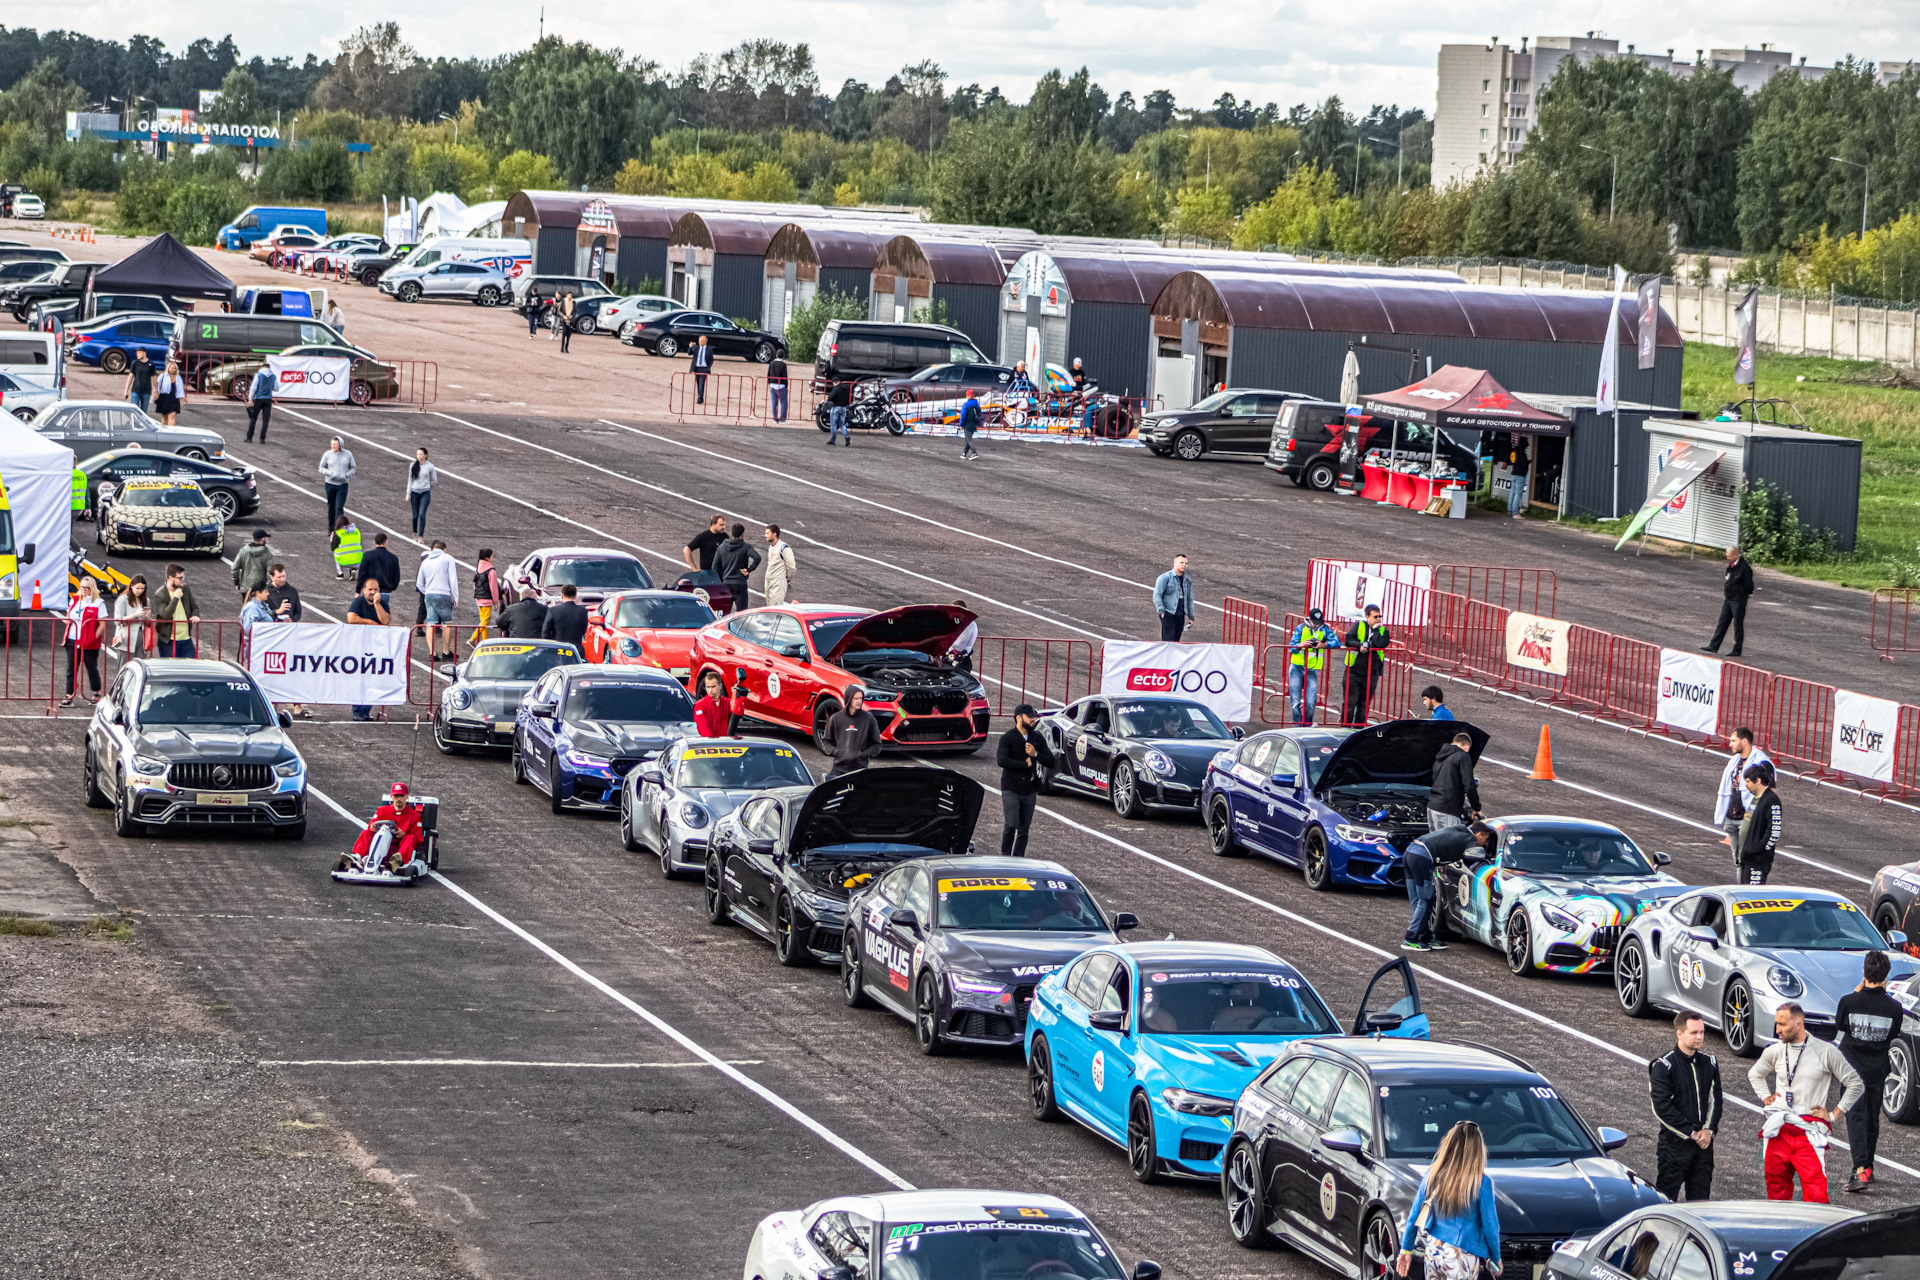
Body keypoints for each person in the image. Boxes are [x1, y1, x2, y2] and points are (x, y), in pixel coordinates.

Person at [1750, 1002, 1864, 1203]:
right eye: (1776, 1024)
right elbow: (1755, 1074)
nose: (1777, 1030)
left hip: (1808, 1134)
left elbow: (1855, 1084)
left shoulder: (1825, 1051)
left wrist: (1833, 1115)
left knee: (1817, 1197)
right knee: (1776, 1195)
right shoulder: (1775, 1050)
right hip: (1778, 1131)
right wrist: (1764, 1097)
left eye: (1782, 1025)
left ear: (1798, 1023)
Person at [1396, 1121, 1501, 1280]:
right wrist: (1495, 1257)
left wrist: (1405, 1249)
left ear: (1448, 1146)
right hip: (1461, 1255)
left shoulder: (1433, 1174)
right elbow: (1490, 1228)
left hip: (1433, 1251)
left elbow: (1414, 1214)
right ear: (1478, 1151)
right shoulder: (1482, 1183)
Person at [1836, 950, 1904, 1193]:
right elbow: (1894, 1033)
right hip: (1878, 1071)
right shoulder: (1895, 1008)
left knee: (1855, 1118)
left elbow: (1840, 1025)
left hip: (1852, 1070)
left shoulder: (1848, 1001)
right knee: (1872, 1118)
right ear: (1885, 976)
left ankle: (1860, 1170)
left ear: (1863, 973)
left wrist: (1856, 994)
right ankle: (1869, 1167)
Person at [1650, 1012, 1723, 1202]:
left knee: (1700, 1206)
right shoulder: (1663, 1066)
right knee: (1666, 1203)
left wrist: (1709, 1130)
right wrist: (1691, 1133)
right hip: (1673, 1147)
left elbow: (1716, 1100)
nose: (1699, 1037)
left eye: (1702, 1032)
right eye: (1693, 1033)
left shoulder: (1710, 1063)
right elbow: (1661, 1108)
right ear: (1679, 1034)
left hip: (1703, 1148)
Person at [997, 703, 1056, 857]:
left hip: (1030, 789)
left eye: (1034, 717)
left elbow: (1051, 761)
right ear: (1018, 718)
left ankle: (1018, 858)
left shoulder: (1037, 737)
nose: (1033, 720)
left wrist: (1036, 754)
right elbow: (1002, 761)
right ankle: (1005, 857)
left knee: (1024, 829)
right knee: (1011, 825)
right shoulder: (1008, 738)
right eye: (1030, 717)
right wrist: (1025, 764)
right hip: (1011, 788)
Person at [265, 563, 310, 718]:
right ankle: (272, 705)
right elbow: (263, 613)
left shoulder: (292, 591)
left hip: (289, 636)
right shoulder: (266, 592)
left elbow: (298, 611)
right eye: (279, 577)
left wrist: (292, 619)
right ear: (272, 577)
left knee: (292, 669)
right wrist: (276, 615)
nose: (283, 579)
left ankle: (297, 705)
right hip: (272, 638)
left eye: (284, 576)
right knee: (273, 671)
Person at [349, 783, 425, 869]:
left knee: (411, 838)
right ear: (392, 797)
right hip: (381, 845)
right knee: (366, 833)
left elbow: (418, 838)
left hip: (399, 847)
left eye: (401, 796)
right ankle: (358, 856)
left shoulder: (415, 816)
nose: (399, 799)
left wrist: (404, 835)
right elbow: (371, 825)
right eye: (396, 796)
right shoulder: (381, 811)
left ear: (406, 796)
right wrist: (373, 828)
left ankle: (397, 860)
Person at [345, 578, 390, 721]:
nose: (372, 592)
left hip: (375, 647)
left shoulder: (382, 603)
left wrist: (377, 604)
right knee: (360, 678)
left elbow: (386, 620)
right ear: (364, 590)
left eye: (375, 590)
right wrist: (369, 622)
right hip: (359, 646)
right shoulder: (358, 602)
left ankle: (365, 710)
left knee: (371, 678)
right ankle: (358, 711)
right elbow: (351, 618)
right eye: (370, 589)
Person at [1287, 609, 1339, 726]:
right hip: (1297, 667)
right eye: (1314, 622)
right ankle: (1298, 727)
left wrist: (1325, 645)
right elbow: (1291, 647)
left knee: (1310, 702)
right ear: (1309, 619)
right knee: (1295, 702)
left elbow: (1337, 642)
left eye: (1319, 622)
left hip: (1312, 669)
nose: (1317, 624)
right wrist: (1300, 645)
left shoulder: (1325, 629)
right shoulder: (1300, 628)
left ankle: (1308, 724)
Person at [59, 576, 105, 707]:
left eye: (87, 587)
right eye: (82, 587)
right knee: (70, 669)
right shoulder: (73, 600)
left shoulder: (98, 603)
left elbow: (102, 625)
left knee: (92, 668)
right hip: (72, 640)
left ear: (92, 588)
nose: (84, 589)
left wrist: (93, 638)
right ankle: (69, 695)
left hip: (89, 642)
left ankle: (96, 694)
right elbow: (68, 618)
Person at [1704, 545, 1756, 658]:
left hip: (1738, 600)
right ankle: (1713, 646)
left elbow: (1749, 585)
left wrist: (1744, 594)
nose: (1728, 558)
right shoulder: (1731, 565)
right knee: (1722, 622)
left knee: (1737, 625)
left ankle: (1737, 649)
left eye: (1729, 556)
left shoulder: (1745, 568)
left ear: (1736, 555)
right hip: (1729, 598)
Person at [1342, 604, 1390, 725]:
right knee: (1350, 703)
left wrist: (1375, 630)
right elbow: (1348, 640)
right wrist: (1360, 646)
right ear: (1367, 616)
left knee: (1364, 706)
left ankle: (1358, 731)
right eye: (1375, 617)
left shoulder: (1383, 631)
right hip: (1354, 672)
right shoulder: (1359, 626)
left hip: (1371, 673)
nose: (1378, 619)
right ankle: (1344, 729)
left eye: (1380, 616)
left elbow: (1381, 643)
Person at [416, 539, 461, 663]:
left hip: (429, 594)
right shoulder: (448, 559)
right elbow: (453, 579)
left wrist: (428, 592)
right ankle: (446, 651)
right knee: (447, 623)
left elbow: (419, 583)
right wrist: (455, 597)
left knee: (430, 623)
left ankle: (432, 653)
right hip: (443, 594)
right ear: (444, 549)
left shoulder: (425, 562)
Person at [1427, 732, 1482, 830]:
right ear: (1466, 747)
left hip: (1432, 807)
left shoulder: (1440, 757)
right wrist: (1476, 807)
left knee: (1436, 844)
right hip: (1447, 809)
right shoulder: (1462, 756)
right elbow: (1469, 784)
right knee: (1450, 844)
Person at [1737, 763, 1781, 885]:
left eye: (1748, 781)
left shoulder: (1771, 800)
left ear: (1758, 781)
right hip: (1747, 858)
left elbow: (1774, 831)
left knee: (1751, 898)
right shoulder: (1756, 798)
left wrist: (1758, 850)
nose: (1746, 786)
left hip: (1756, 861)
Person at [824, 688, 883, 778]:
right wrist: (836, 752)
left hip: (860, 769)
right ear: (848, 699)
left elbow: (877, 745)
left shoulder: (869, 719)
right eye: (856, 698)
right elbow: (826, 741)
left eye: (861, 698)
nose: (859, 701)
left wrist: (863, 755)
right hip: (838, 769)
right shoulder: (836, 718)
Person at [712, 523, 761, 615]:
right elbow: (757, 557)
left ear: (731, 533)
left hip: (726, 584)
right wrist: (749, 569)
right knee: (741, 614)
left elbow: (715, 567)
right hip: (740, 584)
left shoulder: (721, 548)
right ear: (742, 534)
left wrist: (721, 580)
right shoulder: (746, 547)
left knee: (724, 613)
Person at [153, 563, 199, 659]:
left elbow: (194, 606)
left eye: (183, 577)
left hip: (186, 640)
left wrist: (195, 615)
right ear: (170, 578)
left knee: (191, 669)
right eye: (180, 578)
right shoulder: (159, 595)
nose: (183, 580)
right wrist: (176, 598)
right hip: (168, 641)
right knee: (171, 671)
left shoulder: (185, 589)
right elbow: (166, 615)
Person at [692, 669, 746, 737]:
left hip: (725, 744)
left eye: (713, 687)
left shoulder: (728, 703)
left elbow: (739, 713)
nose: (710, 690)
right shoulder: (699, 706)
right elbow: (704, 730)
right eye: (708, 687)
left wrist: (738, 692)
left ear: (720, 686)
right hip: (709, 746)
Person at [113, 574, 155, 659]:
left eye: (142, 588)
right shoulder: (123, 599)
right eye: (138, 588)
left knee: (139, 666)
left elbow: (147, 622)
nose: (140, 591)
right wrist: (135, 614)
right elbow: (117, 621)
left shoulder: (146, 600)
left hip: (142, 639)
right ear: (131, 586)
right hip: (126, 639)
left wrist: (147, 617)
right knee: (125, 667)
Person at [356, 531, 401, 611]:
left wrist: (358, 590)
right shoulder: (393, 558)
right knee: (383, 614)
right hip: (385, 590)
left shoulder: (368, 555)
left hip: (370, 590)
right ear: (385, 542)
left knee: (369, 613)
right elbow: (396, 576)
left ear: (375, 542)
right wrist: (392, 587)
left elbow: (362, 574)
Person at [1153, 555, 1194, 642]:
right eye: (1181, 562)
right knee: (1168, 641)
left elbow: (1189, 600)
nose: (1184, 565)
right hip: (1169, 613)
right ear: (1175, 563)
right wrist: (1162, 612)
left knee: (1176, 641)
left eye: (1186, 563)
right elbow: (1157, 595)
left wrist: (1191, 617)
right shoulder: (1164, 578)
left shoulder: (1187, 581)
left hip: (1180, 615)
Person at [318, 436, 354, 530]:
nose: (333, 446)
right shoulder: (328, 454)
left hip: (342, 485)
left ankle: (339, 529)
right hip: (330, 484)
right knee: (331, 507)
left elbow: (353, 468)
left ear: (340, 445)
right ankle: (331, 528)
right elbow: (321, 468)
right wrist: (330, 474)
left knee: (339, 507)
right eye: (332, 444)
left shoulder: (348, 454)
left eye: (335, 445)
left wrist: (346, 475)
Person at [471, 549, 506, 644]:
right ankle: (472, 639)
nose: (492, 558)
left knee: (483, 622)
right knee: (486, 621)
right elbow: (493, 587)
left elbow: (475, 583)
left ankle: (484, 642)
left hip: (479, 598)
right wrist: (496, 601)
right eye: (492, 556)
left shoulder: (478, 567)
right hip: (487, 599)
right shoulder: (491, 570)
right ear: (488, 557)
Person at [230, 527, 275, 602]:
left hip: (246, 588)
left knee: (247, 609)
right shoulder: (267, 554)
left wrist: (236, 582)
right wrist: (267, 586)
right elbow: (270, 573)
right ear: (262, 539)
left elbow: (234, 568)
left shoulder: (244, 551)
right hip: (260, 590)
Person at [542, 583, 590, 648]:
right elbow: (583, 631)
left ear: (562, 596)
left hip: (558, 649)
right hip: (576, 649)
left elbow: (545, 631)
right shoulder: (583, 611)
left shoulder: (553, 610)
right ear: (575, 596)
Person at [762, 525, 797, 607]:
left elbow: (791, 567)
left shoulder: (784, 548)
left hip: (778, 582)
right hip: (769, 581)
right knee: (769, 607)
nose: (765, 535)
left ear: (774, 534)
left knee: (775, 607)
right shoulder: (771, 547)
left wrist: (787, 579)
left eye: (767, 533)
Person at [239, 583, 274, 662]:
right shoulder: (253, 607)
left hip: (259, 645)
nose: (268, 593)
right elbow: (248, 629)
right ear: (258, 593)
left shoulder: (263, 606)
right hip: (254, 647)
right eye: (265, 591)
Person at [408, 448, 437, 537]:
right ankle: (414, 532)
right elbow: (410, 480)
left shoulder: (430, 466)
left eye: (420, 454)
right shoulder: (413, 465)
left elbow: (434, 480)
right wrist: (408, 493)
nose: (419, 456)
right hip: (414, 492)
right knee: (415, 515)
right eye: (417, 454)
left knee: (422, 514)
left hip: (425, 492)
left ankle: (421, 536)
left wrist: (427, 487)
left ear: (425, 455)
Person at [245, 362, 275, 442]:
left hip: (258, 399)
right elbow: (276, 388)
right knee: (266, 420)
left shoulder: (258, 375)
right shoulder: (273, 376)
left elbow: (253, 387)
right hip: (268, 399)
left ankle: (249, 438)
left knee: (253, 418)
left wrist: (250, 399)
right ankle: (262, 438)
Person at [153, 358, 186, 426]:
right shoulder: (163, 376)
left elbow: (180, 389)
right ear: (168, 368)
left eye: (174, 368)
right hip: (164, 397)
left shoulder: (178, 378)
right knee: (164, 416)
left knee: (172, 415)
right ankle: (164, 432)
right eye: (171, 368)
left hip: (174, 399)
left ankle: (171, 432)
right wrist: (156, 393)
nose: (173, 369)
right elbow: (157, 386)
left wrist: (182, 399)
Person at [1503, 435, 1530, 518]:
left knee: (1512, 492)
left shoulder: (1514, 451)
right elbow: (1524, 463)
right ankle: (1515, 513)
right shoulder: (1522, 452)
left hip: (1514, 473)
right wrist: (1529, 462)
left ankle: (1510, 510)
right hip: (1520, 475)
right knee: (1518, 494)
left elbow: (1512, 461)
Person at [124, 348, 156, 415]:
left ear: (144, 353)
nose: (137, 354)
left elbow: (154, 378)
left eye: (139, 353)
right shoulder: (135, 363)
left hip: (146, 391)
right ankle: (134, 424)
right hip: (136, 390)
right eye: (137, 353)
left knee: (143, 412)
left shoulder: (151, 364)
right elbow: (131, 376)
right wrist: (126, 390)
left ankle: (142, 425)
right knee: (134, 410)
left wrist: (156, 391)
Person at [948, 600, 977, 674]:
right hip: (959, 661)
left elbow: (959, 646)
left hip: (960, 663)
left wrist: (945, 643)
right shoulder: (964, 623)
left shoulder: (967, 624)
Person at [827, 378, 852, 446]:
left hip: (836, 407)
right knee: (842, 424)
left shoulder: (836, 389)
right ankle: (846, 436)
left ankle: (833, 440)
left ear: (835, 382)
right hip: (843, 407)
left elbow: (830, 397)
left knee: (833, 425)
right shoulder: (846, 388)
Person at [690, 335, 713, 404]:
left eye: (702, 341)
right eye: (699, 341)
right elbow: (689, 353)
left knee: (701, 384)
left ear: (705, 341)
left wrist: (708, 367)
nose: (700, 343)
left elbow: (711, 359)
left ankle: (699, 398)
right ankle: (700, 397)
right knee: (698, 383)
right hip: (697, 368)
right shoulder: (696, 348)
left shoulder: (709, 349)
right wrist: (690, 347)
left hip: (704, 368)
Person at [960, 389, 982, 460]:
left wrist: (961, 424)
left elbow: (963, 415)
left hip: (967, 424)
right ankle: (964, 453)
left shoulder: (966, 404)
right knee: (967, 439)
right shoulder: (977, 404)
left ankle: (974, 453)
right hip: (974, 423)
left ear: (968, 395)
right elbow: (980, 414)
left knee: (968, 439)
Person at [767, 354, 789, 423]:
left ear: (776, 355)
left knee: (774, 403)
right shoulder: (783, 365)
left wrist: (769, 383)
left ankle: (774, 418)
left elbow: (768, 374)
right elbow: (785, 376)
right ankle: (782, 419)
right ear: (783, 356)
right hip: (781, 385)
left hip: (773, 385)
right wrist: (786, 385)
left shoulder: (771, 364)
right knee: (783, 403)